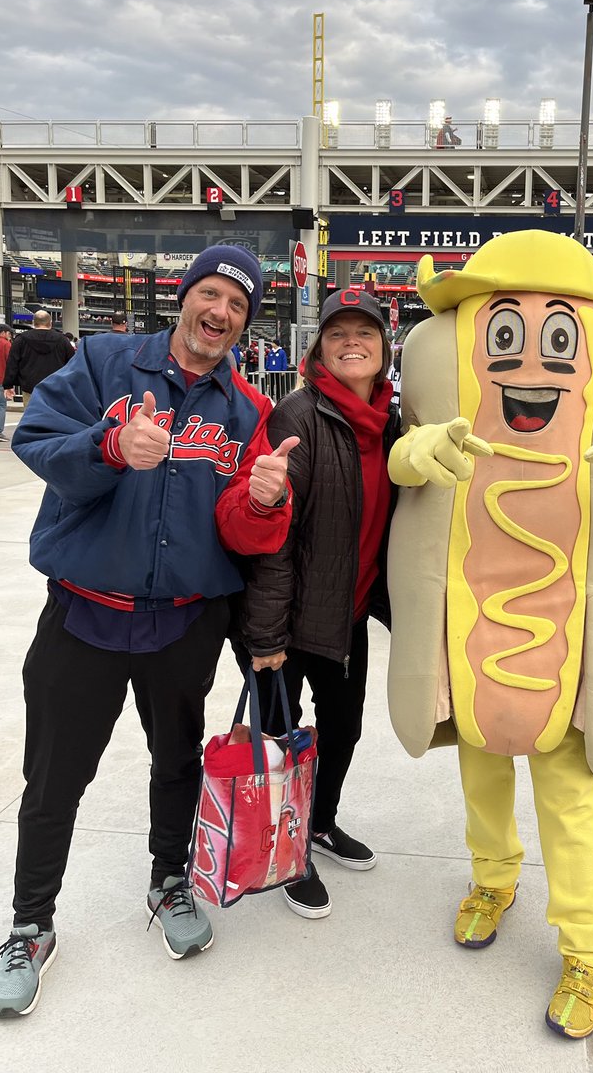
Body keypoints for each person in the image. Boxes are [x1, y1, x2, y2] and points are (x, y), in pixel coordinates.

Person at [385, 231, 593, 1040]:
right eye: (503, 339)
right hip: (473, 611)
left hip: (566, 620)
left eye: (557, 343)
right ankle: (494, 877)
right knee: (481, 763)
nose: (529, 369)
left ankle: (586, 947)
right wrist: (419, 448)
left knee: (568, 788)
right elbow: (401, 462)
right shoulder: (439, 391)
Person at [0, 244, 296, 1018]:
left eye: (237, 306)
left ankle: (169, 884)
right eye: (210, 295)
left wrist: (263, 500)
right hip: (84, 615)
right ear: (184, 297)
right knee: (56, 776)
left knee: (177, 763)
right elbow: (35, 440)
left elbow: (239, 531)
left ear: (245, 323)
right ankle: (31, 925)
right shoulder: (103, 364)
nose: (221, 313)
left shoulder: (247, 410)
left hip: (183, 627)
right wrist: (105, 446)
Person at [239, 288, 399, 920]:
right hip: (293, 619)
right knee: (281, 742)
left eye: (365, 332)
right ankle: (288, 849)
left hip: (349, 616)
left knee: (343, 730)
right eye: (338, 334)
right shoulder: (298, 417)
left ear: (385, 348)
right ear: (319, 350)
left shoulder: (394, 423)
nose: (352, 343)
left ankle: (320, 823)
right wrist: (265, 638)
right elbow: (275, 541)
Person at [2, 311, 75, 409]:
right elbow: (73, 364)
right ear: (50, 323)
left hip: (30, 387)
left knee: (32, 418)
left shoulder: (21, 340)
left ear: (33, 323)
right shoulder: (62, 340)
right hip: (56, 387)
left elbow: (12, 363)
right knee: (54, 418)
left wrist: (8, 385)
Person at [0, 324, 12, 442]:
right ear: (3, 332)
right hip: (0, 378)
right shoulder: (5, 344)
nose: (10, 336)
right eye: (9, 333)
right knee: (0, 406)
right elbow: (10, 361)